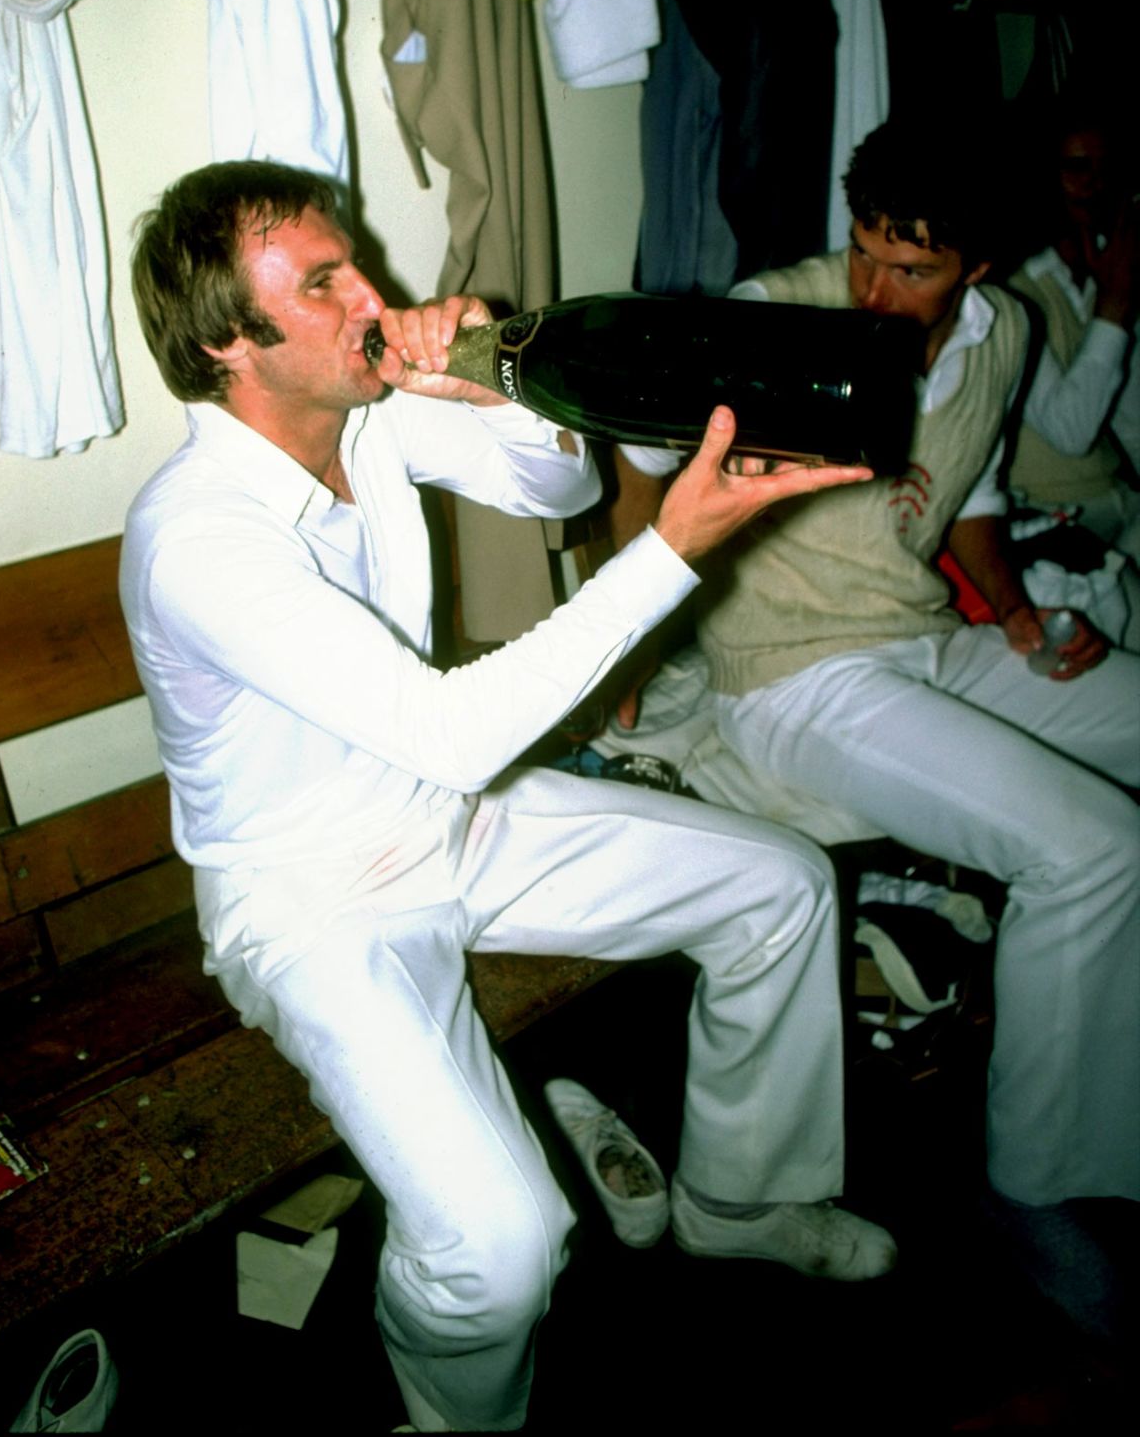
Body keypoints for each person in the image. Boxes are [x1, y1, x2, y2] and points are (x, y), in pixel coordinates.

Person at [119, 160, 891, 1433]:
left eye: (354, 257)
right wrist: (674, 550)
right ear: (226, 344)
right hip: (314, 898)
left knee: (781, 885)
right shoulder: (198, 536)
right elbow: (456, 723)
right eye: (322, 284)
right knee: (504, 1246)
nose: (372, 291)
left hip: (445, 811)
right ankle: (447, 1414)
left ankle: (738, 1198)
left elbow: (562, 486)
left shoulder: (363, 410)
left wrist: (482, 370)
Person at [611, 118, 1140, 1349]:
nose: (872, 289)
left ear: (977, 266)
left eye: (909, 269)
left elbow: (974, 497)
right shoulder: (774, 312)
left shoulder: (1000, 332)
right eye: (861, 253)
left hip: (923, 638)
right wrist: (624, 645)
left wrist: (1012, 613)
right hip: (790, 674)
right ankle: (1029, 1187)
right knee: (1092, 844)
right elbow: (641, 459)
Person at [1000, 99, 1140, 647]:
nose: (1094, 184)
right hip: (1056, 520)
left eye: (1105, 168)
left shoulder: (1108, 269)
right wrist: (1114, 309)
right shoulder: (1013, 294)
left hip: (1120, 505)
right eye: (1076, 167)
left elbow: (1128, 416)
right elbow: (1071, 430)